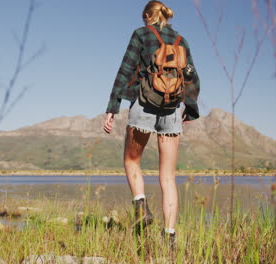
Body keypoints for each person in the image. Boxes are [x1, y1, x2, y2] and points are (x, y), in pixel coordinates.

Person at [103, 0, 200, 246]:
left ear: (147, 15)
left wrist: (112, 107)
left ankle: (141, 206)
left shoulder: (141, 34)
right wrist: (189, 107)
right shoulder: (181, 41)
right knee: (168, 177)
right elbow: (191, 76)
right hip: (171, 110)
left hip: (144, 104)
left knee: (131, 160)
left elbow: (125, 70)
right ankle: (169, 237)